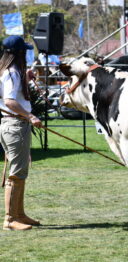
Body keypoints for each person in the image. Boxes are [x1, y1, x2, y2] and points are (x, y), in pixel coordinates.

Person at [0, 35, 42, 230]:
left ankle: (20, 214)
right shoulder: (11, 73)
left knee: (21, 172)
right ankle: (9, 219)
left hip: (15, 125)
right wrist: (30, 116)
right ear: (18, 53)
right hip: (15, 125)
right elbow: (9, 101)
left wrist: (26, 76)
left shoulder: (11, 72)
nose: (26, 53)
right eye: (23, 51)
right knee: (16, 174)